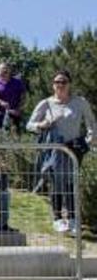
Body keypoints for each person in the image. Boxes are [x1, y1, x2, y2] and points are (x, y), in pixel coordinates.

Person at [27, 70, 94, 234]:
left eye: (63, 82)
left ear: (69, 84)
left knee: (71, 183)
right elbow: (29, 124)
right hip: (54, 149)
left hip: (74, 149)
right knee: (57, 183)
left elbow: (92, 124)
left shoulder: (80, 102)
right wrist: (42, 125)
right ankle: (57, 219)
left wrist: (89, 140)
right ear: (53, 85)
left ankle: (72, 220)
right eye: (57, 82)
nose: (60, 85)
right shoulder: (46, 103)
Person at [0, 62, 26, 135]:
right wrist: (0, 101)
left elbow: (23, 95)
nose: (4, 71)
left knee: (16, 136)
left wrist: (19, 108)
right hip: (0, 114)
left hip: (15, 113)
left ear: (10, 70)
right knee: (1, 136)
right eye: (1, 70)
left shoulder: (17, 82)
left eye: (5, 69)